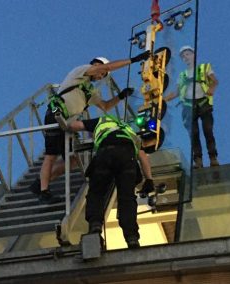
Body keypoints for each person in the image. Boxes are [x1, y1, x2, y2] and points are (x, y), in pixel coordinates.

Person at [29, 52, 151, 204]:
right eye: (102, 73)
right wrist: (133, 60)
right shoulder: (81, 71)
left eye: (104, 75)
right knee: (51, 155)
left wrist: (120, 96)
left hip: (67, 123)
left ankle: (40, 183)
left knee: (73, 160)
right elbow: (107, 66)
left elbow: (105, 106)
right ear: (96, 64)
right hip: (56, 115)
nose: (101, 76)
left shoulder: (90, 92)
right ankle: (43, 191)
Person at [67, 114, 154, 248]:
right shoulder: (129, 131)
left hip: (105, 152)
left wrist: (67, 125)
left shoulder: (101, 120)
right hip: (127, 157)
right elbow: (142, 156)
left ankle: (95, 225)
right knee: (127, 198)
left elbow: (74, 126)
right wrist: (149, 179)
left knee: (96, 192)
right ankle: (131, 237)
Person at [165, 46, 219, 168]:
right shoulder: (182, 75)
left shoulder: (204, 68)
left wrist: (211, 89)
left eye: (187, 54)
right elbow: (177, 92)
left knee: (208, 130)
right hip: (189, 106)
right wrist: (162, 100)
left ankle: (213, 157)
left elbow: (214, 81)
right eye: (183, 56)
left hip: (204, 103)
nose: (185, 57)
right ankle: (198, 160)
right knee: (193, 134)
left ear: (194, 55)